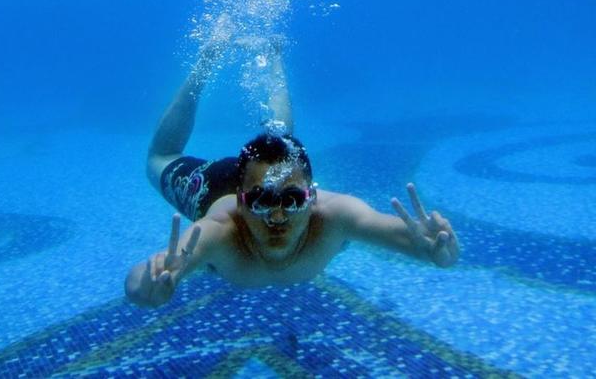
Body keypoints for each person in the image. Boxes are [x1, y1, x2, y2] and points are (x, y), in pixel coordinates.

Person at [125, 30, 459, 308]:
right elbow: (142, 281)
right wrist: (149, 284)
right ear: (241, 201)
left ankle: (273, 54)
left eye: (293, 200)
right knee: (159, 157)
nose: (278, 217)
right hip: (213, 187)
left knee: (281, 141)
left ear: (312, 197)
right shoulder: (218, 230)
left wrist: (435, 250)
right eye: (260, 201)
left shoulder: (336, 215)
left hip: (269, 173)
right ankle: (208, 58)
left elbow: (407, 238)